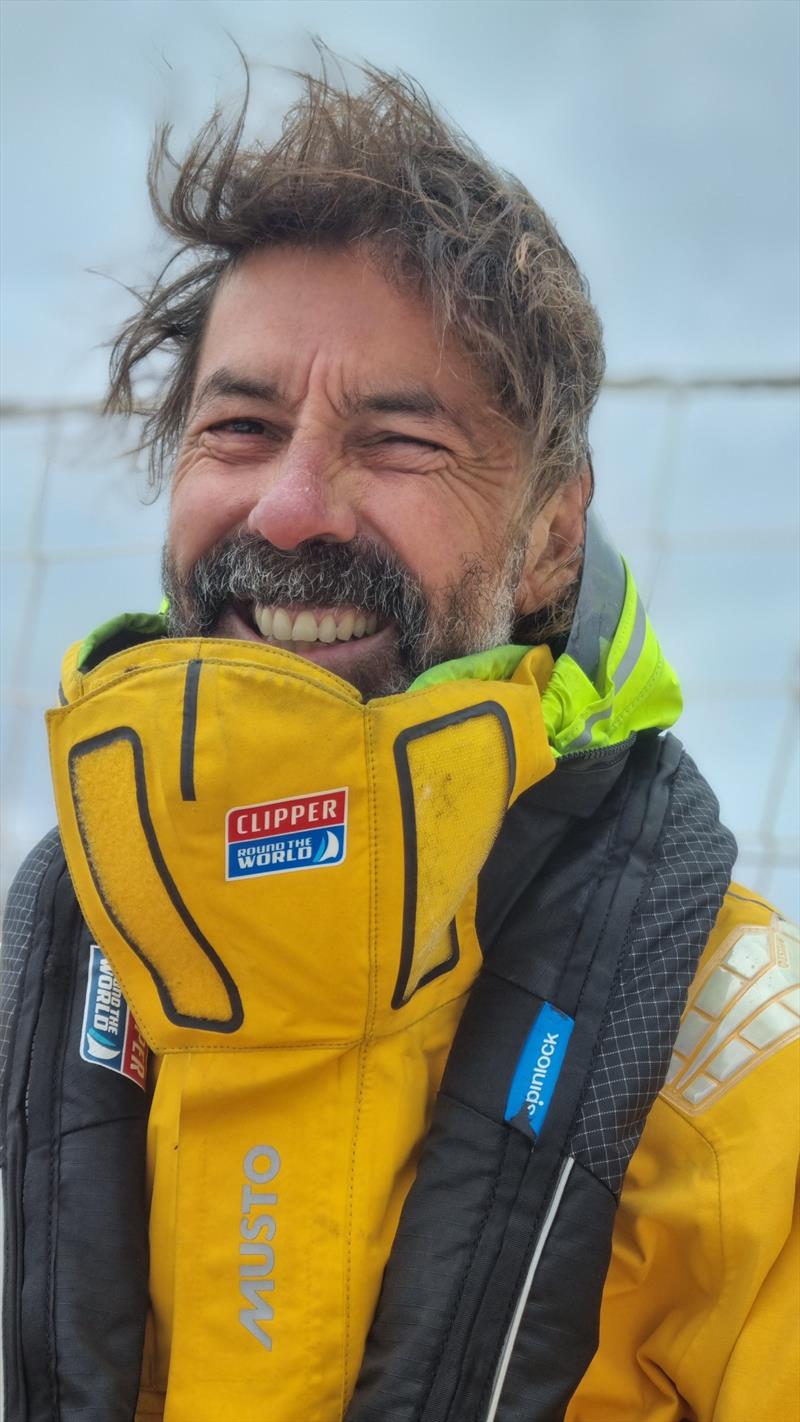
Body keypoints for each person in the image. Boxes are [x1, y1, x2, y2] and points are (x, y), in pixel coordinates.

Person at [2, 62, 797, 1422]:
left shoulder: (745, 1084)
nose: (295, 506)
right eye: (240, 427)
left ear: (553, 529)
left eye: (398, 439)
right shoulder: (33, 973)